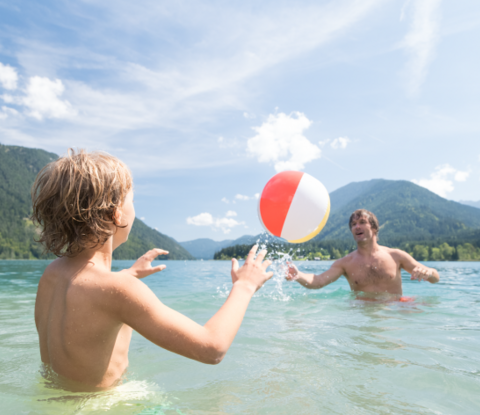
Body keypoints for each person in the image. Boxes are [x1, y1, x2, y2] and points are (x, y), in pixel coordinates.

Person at [32, 149, 273, 390]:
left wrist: (129, 274)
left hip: (53, 405)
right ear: (116, 215)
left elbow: (90, 296)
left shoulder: (51, 276)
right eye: (132, 201)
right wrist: (245, 285)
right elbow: (212, 348)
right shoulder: (119, 290)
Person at [286, 209, 439, 296]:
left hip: (395, 311)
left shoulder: (396, 256)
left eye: (362, 222)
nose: (357, 227)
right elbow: (318, 281)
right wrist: (299, 276)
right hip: (361, 315)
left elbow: (435, 278)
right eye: (353, 224)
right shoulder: (345, 263)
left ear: (374, 228)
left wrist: (429, 273)